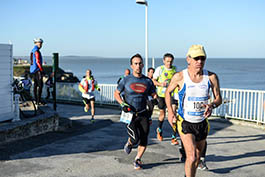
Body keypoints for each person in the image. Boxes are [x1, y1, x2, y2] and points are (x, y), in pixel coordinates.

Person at [165, 44, 222, 177]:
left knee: (197, 157)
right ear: (188, 59)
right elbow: (168, 92)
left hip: (202, 122)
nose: (199, 62)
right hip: (185, 122)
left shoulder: (211, 77)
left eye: (202, 58)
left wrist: (212, 105)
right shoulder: (180, 77)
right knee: (190, 157)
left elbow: (218, 98)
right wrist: (170, 112)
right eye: (196, 58)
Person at [114, 54, 157, 170]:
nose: (138, 66)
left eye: (140, 63)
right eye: (135, 64)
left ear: (143, 65)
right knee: (135, 138)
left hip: (143, 113)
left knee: (144, 138)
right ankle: (130, 143)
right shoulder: (125, 80)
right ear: (131, 66)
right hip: (129, 114)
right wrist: (122, 104)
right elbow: (116, 93)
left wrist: (155, 99)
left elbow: (153, 94)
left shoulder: (148, 81)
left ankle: (137, 159)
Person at [152, 53, 178, 145]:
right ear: (164, 61)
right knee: (162, 114)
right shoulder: (160, 69)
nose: (169, 63)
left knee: (173, 115)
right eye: (167, 61)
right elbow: (153, 81)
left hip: (172, 94)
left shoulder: (175, 69)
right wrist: (161, 84)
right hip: (162, 95)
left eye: (170, 61)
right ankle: (159, 130)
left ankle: (174, 137)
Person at [30, 38, 44, 105]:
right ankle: (38, 100)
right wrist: (41, 70)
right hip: (37, 70)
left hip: (33, 70)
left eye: (41, 43)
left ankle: (36, 100)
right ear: (36, 43)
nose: (41, 45)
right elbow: (38, 61)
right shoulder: (36, 51)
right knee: (40, 85)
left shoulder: (32, 50)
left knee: (35, 85)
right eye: (39, 43)